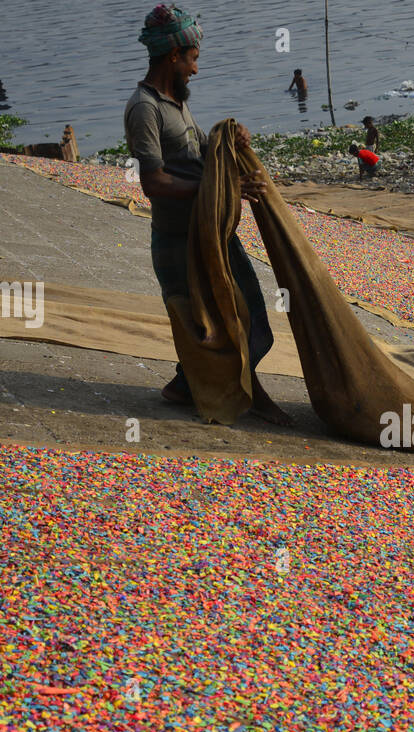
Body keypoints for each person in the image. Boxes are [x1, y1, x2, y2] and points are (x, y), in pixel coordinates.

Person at [124, 3, 289, 423]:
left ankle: (189, 384)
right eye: (193, 59)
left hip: (209, 234)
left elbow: (202, 151)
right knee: (203, 324)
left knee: (249, 315)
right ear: (174, 55)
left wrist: (232, 137)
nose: (196, 70)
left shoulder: (176, 103)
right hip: (178, 243)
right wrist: (222, 189)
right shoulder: (145, 109)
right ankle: (200, 388)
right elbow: (153, 182)